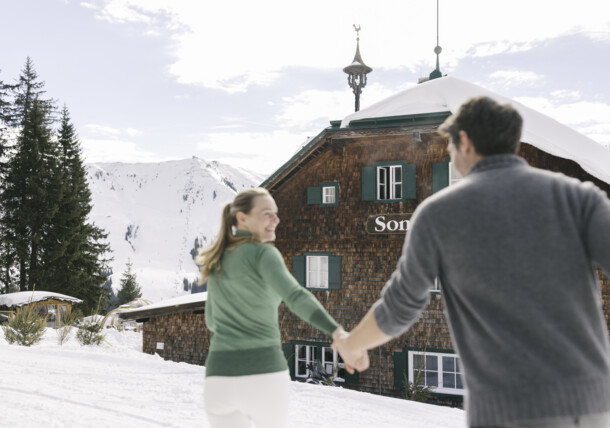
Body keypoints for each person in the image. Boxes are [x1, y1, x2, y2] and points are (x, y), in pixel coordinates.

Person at [332, 96, 610, 428]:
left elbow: (401, 306)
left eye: (449, 146)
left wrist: (352, 344)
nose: (450, 155)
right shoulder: (578, 196)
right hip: (592, 402)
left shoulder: (439, 214)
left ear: (464, 141)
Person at [197, 187, 344, 428]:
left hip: (218, 378)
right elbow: (295, 295)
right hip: (262, 374)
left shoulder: (217, 258)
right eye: (267, 213)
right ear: (242, 218)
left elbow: (211, 320)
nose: (276, 219)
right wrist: (335, 330)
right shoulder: (263, 253)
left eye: (275, 213)